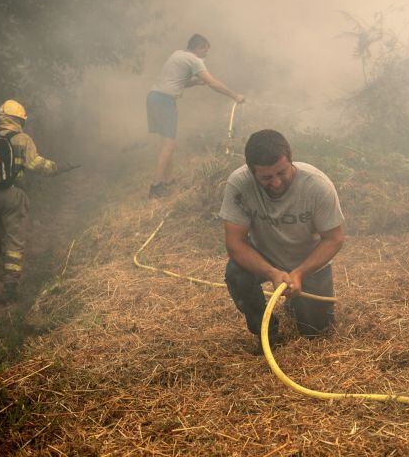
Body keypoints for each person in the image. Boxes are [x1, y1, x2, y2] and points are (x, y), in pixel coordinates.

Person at [219, 129, 345, 353]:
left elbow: (334, 239)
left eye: (281, 173)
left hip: (307, 260)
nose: (276, 183)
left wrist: (299, 272)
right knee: (236, 273)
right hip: (265, 255)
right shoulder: (239, 184)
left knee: (316, 332)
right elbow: (235, 244)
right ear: (251, 171)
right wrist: (272, 273)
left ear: (290, 160)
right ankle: (265, 331)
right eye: (266, 177)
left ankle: (296, 306)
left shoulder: (317, 186)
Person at [0, 99, 66, 303]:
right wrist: (55, 168)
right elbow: (35, 164)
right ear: (18, 119)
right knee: (14, 242)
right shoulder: (23, 139)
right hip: (13, 196)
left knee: (4, 237)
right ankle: (10, 288)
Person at [146, 34, 245, 197]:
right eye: (206, 49)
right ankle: (156, 187)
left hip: (154, 97)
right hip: (165, 101)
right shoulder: (195, 61)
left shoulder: (177, 54)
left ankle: (168, 180)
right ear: (199, 47)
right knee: (169, 144)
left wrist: (195, 82)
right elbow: (212, 82)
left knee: (165, 143)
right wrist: (235, 96)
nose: (206, 53)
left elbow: (176, 82)